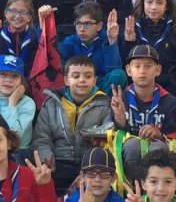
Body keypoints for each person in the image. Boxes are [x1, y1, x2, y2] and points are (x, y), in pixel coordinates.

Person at [32, 55, 114, 194]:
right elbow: (42, 138)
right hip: (58, 164)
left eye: (88, 76)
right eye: (76, 76)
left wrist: (88, 171)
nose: (82, 80)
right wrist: (47, 164)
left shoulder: (105, 105)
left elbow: (107, 139)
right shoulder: (51, 104)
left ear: (94, 80)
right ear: (66, 80)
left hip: (90, 166)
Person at [109, 44, 176, 181]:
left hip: (159, 155)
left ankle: (153, 190)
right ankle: (132, 190)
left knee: (157, 147)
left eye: (148, 66)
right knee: (132, 146)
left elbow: (175, 139)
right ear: (129, 70)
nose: (142, 71)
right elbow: (114, 137)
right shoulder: (121, 99)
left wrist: (159, 136)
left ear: (158, 70)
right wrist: (120, 120)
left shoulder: (170, 102)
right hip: (129, 154)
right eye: (137, 66)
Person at [122, 0, 176, 96]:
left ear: (166, 6)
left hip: (169, 90)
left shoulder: (175, 30)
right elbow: (125, 65)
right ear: (143, 3)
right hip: (138, 88)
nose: (154, 7)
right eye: (149, 2)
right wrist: (129, 43)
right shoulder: (132, 29)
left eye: (159, 2)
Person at [58, 1, 127, 93]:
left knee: (119, 75)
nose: (82, 29)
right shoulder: (69, 43)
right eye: (78, 23)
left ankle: (101, 104)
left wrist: (112, 40)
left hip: (99, 87)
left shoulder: (106, 40)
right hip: (78, 85)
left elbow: (113, 69)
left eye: (87, 24)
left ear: (99, 26)